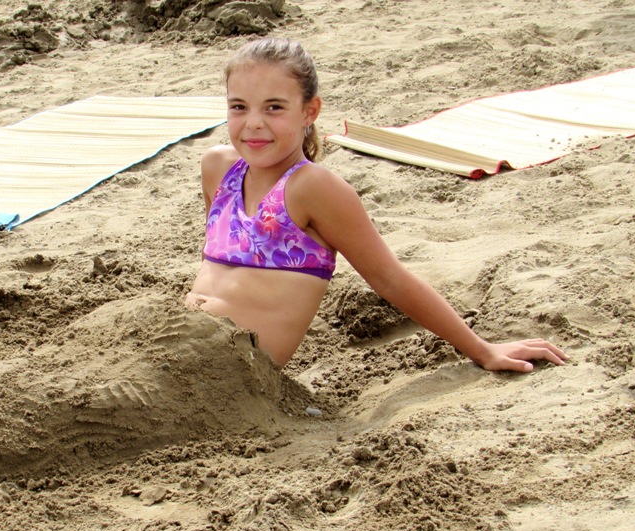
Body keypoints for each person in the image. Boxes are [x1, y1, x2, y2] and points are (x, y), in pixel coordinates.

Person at [186, 37, 568, 372]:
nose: (253, 123)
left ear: (309, 111)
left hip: (232, 372)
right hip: (178, 341)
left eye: (273, 107)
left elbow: (389, 278)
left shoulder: (313, 188)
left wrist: (482, 350)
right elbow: (217, 270)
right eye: (239, 107)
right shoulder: (218, 167)